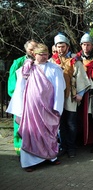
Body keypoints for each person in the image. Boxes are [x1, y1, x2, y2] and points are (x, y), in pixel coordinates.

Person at [7, 43, 65, 172]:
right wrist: (20, 106)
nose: (44, 57)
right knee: (31, 132)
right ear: (34, 54)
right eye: (41, 54)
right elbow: (20, 87)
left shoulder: (55, 69)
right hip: (31, 108)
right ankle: (29, 162)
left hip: (48, 108)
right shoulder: (27, 68)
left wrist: (57, 107)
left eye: (46, 54)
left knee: (49, 132)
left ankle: (51, 157)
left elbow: (59, 88)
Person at [50, 33, 91, 158]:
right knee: (60, 123)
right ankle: (63, 146)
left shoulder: (75, 60)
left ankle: (72, 147)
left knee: (71, 122)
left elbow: (81, 77)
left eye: (62, 46)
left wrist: (80, 93)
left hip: (71, 96)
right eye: (58, 47)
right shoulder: (51, 61)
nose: (60, 49)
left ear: (67, 46)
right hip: (57, 97)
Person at [7, 39, 37, 156]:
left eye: (35, 48)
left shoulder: (40, 62)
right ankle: (20, 151)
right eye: (31, 49)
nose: (33, 51)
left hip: (35, 101)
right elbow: (12, 82)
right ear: (26, 50)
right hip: (22, 100)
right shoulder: (18, 62)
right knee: (20, 126)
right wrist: (19, 95)